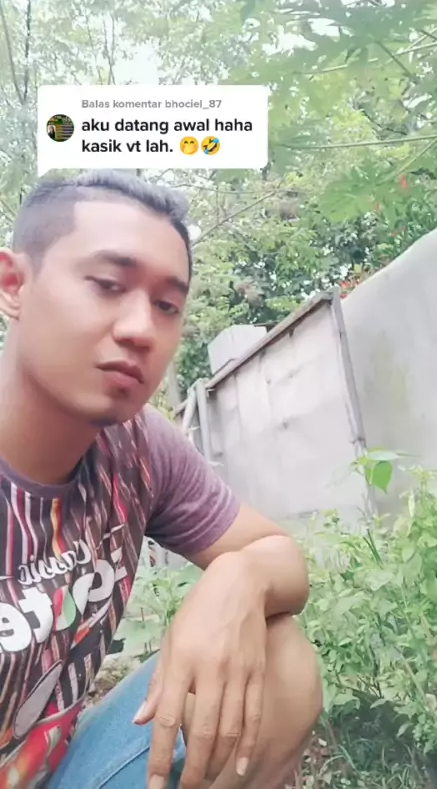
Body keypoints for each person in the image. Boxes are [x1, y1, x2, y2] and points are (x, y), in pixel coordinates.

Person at [0, 170, 322, 789]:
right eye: (108, 285)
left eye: (166, 306)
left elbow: (279, 556)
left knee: (281, 659)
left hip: (55, 770)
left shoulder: (140, 446)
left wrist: (240, 575)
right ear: (14, 285)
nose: (141, 329)